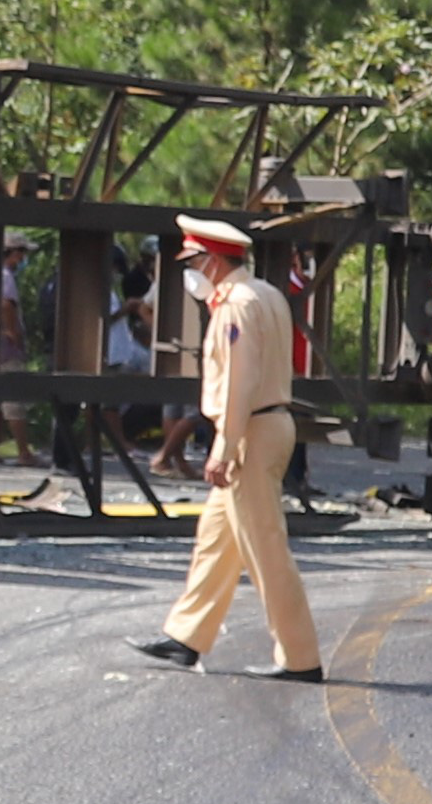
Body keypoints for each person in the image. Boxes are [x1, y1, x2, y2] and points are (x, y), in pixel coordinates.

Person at [132, 215, 321, 680]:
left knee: (265, 548)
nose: (190, 271)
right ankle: (186, 636)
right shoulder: (266, 294)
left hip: (250, 431)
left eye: (193, 261)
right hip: (264, 425)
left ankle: (300, 657)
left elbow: (240, 380)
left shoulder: (236, 305)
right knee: (216, 541)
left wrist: (224, 445)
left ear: (212, 261)